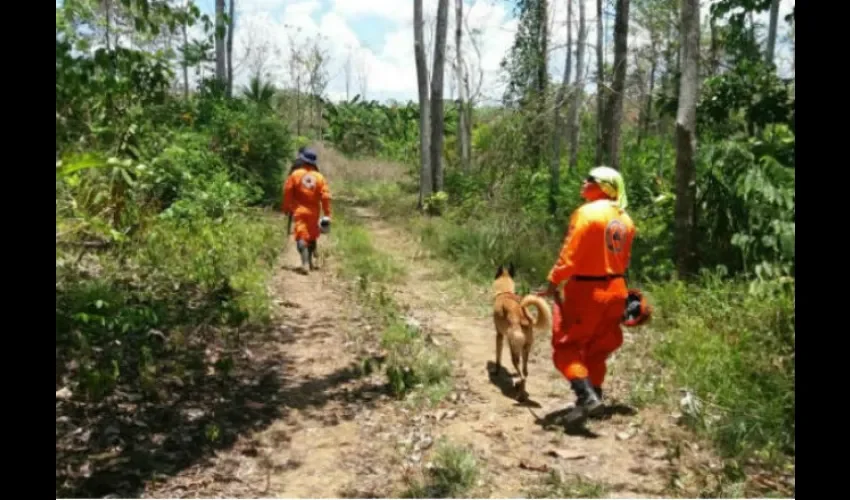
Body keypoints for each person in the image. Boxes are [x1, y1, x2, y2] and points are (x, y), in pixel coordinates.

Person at [537, 166, 636, 427]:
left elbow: (570, 255)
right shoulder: (625, 219)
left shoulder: (586, 214)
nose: (583, 182)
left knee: (566, 347)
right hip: (617, 289)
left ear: (604, 186)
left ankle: (586, 397)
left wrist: (552, 281)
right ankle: (596, 398)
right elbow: (624, 260)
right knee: (598, 347)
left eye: (589, 179)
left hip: (587, 291)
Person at [282, 148, 332, 274]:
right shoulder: (320, 177)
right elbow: (325, 196)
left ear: (302, 160)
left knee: (300, 236)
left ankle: (304, 263)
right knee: (311, 235)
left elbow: (287, 192)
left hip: (299, 211)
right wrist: (327, 213)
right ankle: (309, 261)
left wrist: (286, 207)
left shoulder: (295, 175)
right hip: (314, 212)